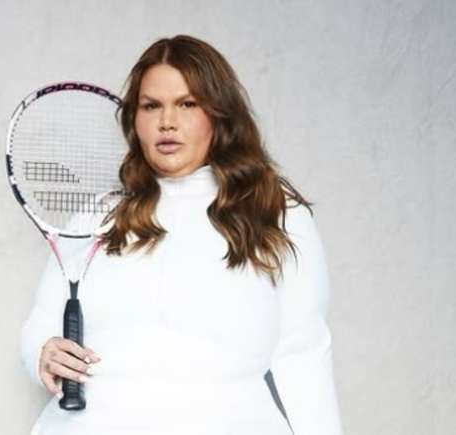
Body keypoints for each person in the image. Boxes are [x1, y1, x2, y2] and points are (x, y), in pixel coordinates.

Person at [20, 34, 343, 435]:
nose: (167, 122)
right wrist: (43, 353)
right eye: (151, 105)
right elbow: (40, 326)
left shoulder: (276, 213)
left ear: (219, 114)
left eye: (187, 104)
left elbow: (304, 353)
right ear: (135, 120)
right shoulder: (98, 216)